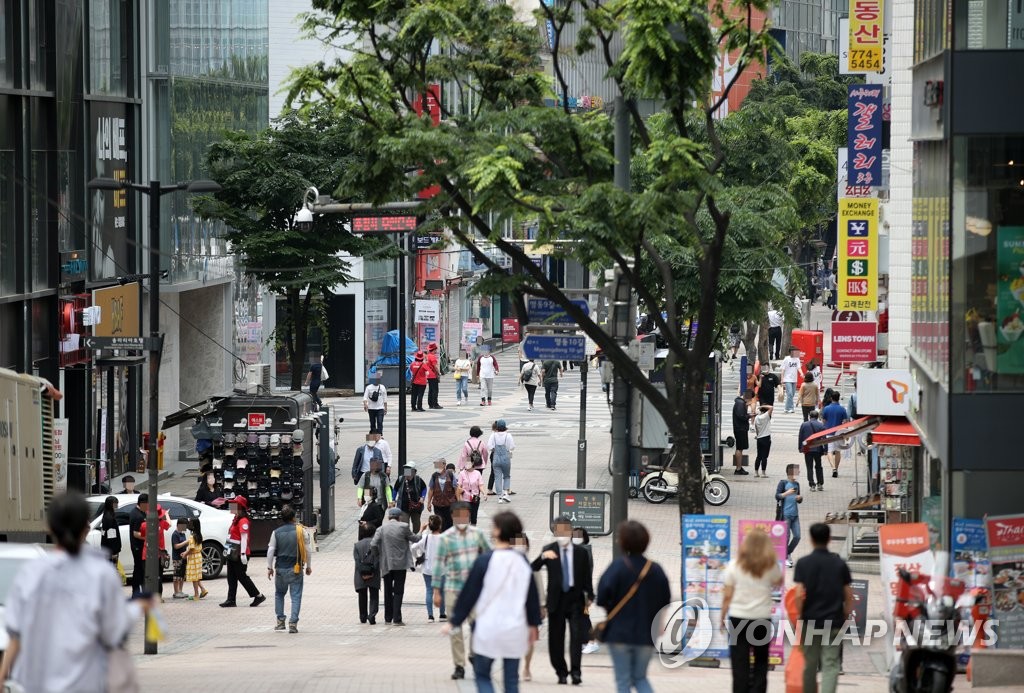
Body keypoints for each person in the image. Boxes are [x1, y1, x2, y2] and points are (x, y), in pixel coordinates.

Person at [0, 493, 149, 692]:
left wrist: (2, 678)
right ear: (85, 528)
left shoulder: (32, 572)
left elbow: (16, 635)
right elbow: (114, 630)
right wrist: (136, 608)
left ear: (50, 527)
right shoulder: (102, 574)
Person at [445, 511, 541, 693]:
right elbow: (531, 597)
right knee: (511, 680)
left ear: (497, 531)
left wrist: (455, 620)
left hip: (487, 627)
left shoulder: (484, 561)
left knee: (482, 676)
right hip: (515, 628)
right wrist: (534, 624)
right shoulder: (523, 562)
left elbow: (469, 594)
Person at [596, 520, 672, 693]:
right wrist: (659, 623)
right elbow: (665, 600)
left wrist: (611, 609)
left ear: (622, 542)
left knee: (623, 681)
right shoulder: (656, 569)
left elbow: (601, 597)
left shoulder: (617, 567)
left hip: (619, 633)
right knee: (640, 678)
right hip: (646, 633)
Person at [531, 516, 594, 685]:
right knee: (556, 639)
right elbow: (532, 568)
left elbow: (587, 576)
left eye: (566, 530)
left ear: (571, 531)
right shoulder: (549, 549)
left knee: (576, 638)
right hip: (556, 600)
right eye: (559, 531)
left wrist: (590, 595)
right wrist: (543, 556)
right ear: (554, 532)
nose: (563, 534)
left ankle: (576, 672)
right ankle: (561, 671)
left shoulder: (581, 552)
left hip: (576, 599)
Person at [720, 528, 783, 693]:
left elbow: (727, 596)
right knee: (761, 661)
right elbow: (779, 581)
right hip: (761, 618)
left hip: (738, 617)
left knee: (740, 662)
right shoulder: (771, 566)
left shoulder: (734, 565)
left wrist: (721, 616)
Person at [435, 502, 492, 680]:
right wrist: (436, 591)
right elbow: (438, 565)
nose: (462, 519)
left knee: (478, 625)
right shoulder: (445, 538)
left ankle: (474, 654)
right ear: (452, 517)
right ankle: (459, 665)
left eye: (465, 515)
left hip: (475, 590)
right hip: (453, 589)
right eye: (458, 515)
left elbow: (490, 557)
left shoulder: (478, 535)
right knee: (455, 628)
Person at [794, 523, 853, 693]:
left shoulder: (803, 563)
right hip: (834, 621)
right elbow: (848, 594)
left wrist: (800, 615)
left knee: (809, 663)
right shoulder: (839, 564)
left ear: (811, 540)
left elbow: (798, 594)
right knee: (831, 664)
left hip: (810, 620)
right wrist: (845, 614)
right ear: (829, 539)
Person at [267, 504, 312, 633]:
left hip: (280, 568)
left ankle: (280, 621)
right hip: (296, 568)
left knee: (279, 594)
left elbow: (270, 551)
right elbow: (308, 550)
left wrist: (269, 567)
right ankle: (293, 623)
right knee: (296, 596)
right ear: (293, 517)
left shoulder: (276, 532)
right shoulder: (301, 531)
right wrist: (308, 566)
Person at [371, 507, 419, 625]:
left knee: (387, 590)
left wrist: (378, 555)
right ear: (399, 517)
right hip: (401, 564)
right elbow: (415, 539)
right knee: (398, 591)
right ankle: (397, 618)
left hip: (386, 563)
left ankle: (388, 617)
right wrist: (422, 530)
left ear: (388, 517)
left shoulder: (381, 529)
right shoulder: (404, 527)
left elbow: (373, 544)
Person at [221, 495, 267, 608]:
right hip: (232, 551)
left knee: (242, 576)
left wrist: (242, 554)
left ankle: (258, 595)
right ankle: (231, 599)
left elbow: (244, 538)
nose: (231, 506)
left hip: (239, 553)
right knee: (231, 577)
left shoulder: (243, 521)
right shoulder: (236, 518)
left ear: (239, 507)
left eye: (234, 504)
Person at [513, 533, 545, 682]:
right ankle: (513, 667)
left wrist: (542, 606)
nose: (519, 546)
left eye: (522, 543)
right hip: (511, 609)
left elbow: (539, 587)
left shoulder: (532, 567)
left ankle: (526, 667)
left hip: (529, 608)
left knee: (529, 639)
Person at [415, 514, 447, 622]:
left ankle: (430, 616)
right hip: (441, 568)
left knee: (429, 590)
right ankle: (442, 614)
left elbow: (413, 546)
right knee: (442, 591)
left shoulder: (425, 537)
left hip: (427, 568)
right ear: (440, 526)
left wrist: (418, 556)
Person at [138, 503, 171, 599]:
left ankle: (147, 597)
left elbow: (142, 535)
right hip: (159, 554)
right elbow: (169, 524)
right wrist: (167, 515)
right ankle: (159, 597)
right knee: (159, 576)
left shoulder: (144, 525)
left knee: (147, 577)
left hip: (146, 554)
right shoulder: (162, 523)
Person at [775, 464, 803, 568]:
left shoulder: (797, 484)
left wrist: (799, 498)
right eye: (797, 471)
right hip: (785, 514)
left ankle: (787, 553)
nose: (799, 473)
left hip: (795, 515)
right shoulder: (783, 483)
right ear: (791, 473)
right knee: (786, 537)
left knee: (797, 536)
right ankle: (785, 558)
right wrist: (786, 493)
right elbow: (777, 496)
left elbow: (798, 499)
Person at [354, 521, 381, 624]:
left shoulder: (357, 545)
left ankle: (363, 616)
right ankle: (372, 615)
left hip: (360, 575)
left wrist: (362, 572)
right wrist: (372, 571)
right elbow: (377, 559)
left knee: (362, 595)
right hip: (373, 574)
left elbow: (356, 560)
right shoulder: (376, 544)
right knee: (374, 595)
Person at [821, 391, 850, 477]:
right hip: (839, 433)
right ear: (838, 398)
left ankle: (833, 468)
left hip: (829, 432)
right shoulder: (842, 409)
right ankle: (836, 469)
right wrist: (846, 434)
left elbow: (823, 421)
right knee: (838, 451)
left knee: (830, 451)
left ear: (831, 398)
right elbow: (845, 422)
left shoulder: (826, 408)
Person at [487, 419, 515, 503]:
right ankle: (506, 493)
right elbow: (512, 446)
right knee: (506, 476)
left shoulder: (493, 435)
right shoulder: (508, 435)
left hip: (496, 457)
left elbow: (489, 446)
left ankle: (500, 497)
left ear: (497, 427)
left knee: (497, 477)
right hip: (505, 458)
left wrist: (494, 450)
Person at [426, 458, 458, 530]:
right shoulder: (434, 476)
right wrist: (428, 503)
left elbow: (456, 489)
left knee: (449, 523)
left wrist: (459, 502)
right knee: (440, 523)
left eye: (439, 465)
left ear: (444, 465)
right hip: (438, 504)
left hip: (449, 504)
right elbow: (431, 489)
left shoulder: (450, 475)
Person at [799, 410, 827, 491]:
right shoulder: (821, 425)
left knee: (809, 467)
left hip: (807, 449)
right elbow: (824, 438)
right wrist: (825, 449)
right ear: (817, 417)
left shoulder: (804, 424)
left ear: (809, 416)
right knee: (818, 466)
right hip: (818, 449)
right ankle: (820, 484)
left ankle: (812, 485)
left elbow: (801, 437)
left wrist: (800, 448)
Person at [394, 464, 427, 531]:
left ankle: (416, 538)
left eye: (408, 470)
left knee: (416, 524)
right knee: (404, 526)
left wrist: (422, 497)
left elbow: (424, 488)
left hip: (416, 507)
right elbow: (395, 489)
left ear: (413, 472)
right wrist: (393, 499)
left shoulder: (418, 480)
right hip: (403, 507)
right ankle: (406, 539)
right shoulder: (401, 479)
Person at [128, 492, 148, 596]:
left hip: (137, 546)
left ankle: (137, 591)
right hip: (138, 546)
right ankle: (136, 592)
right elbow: (135, 533)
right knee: (139, 570)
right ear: (142, 503)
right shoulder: (138, 515)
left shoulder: (136, 512)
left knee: (139, 569)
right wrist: (148, 537)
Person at [184, 517, 208, 601]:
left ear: (193, 526)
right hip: (198, 556)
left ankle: (196, 595)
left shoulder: (192, 536)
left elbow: (191, 549)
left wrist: (185, 554)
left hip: (193, 557)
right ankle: (203, 590)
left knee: (194, 577)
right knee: (196, 576)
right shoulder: (199, 535)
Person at [456, 459, 486, 525]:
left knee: (474, 517)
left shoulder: (477, 473)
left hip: (475, 498)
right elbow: (459, 486)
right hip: (464, 499)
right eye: (465, 463)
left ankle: (472, 532)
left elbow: (480, 485)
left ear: (472, 463)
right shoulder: (462, 473)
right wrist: (459, 498)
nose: (467, 464)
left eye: (468, 463)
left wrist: (484, 493)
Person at [732, 389, 754, 476]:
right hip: (740, 428)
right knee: (739, 448)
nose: (750, 401)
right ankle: (738, 468)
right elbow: (742, 416)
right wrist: (749, 415)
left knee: (740, 448)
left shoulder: (740, 403)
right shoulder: (740, 404)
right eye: (750, 399)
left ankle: (739, 467)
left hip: (739, 428)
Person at [753, 404, 774, 478]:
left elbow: (756, 429)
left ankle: (756, 472)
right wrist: (762, 406)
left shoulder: (756, 417)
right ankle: (763, 473)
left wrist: (757, 436)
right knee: (764, 456)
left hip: (759, 438)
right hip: (766, 438)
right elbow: (771, 407)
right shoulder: (765, 416)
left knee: (759, 456)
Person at [99, 495, 121, 565]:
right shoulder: (110, 518)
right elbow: (111, 537)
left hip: (106, 548)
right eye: (115, 503)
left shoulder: (106, 515)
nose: (117, 505)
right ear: (110, 504)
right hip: (111, 550)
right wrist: (113, 552)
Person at [780, 347, 803, 414]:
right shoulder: (786, 359)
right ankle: (791, 408)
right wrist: (782, 379)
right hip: (787, 379)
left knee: (792, 395)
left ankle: (786, 408)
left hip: (794, 379)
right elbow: (783, 370)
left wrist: (801, 373)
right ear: (791, 352)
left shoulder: (797, 359)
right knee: (789, 393)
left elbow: (799, 368)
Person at [171, 517, 189, 599]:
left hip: (184, 557)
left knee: (182, 575)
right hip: (177, 558)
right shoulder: (175, 534)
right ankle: (176, 592)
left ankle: (180, 591)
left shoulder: (183, 534)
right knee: (176, 575)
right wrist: (186, 542)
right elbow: (176, 546)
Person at [426, 341, 444, 409]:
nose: (436, 350)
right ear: (434, 349)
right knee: (435, 390)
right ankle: (435, 404)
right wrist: (439, 373)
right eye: (436, 349)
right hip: (433, 375)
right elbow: (435, 366)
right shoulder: (432, 357)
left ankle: (430, 404)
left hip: (428, 375)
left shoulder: (427, 356)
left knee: (430, 390)